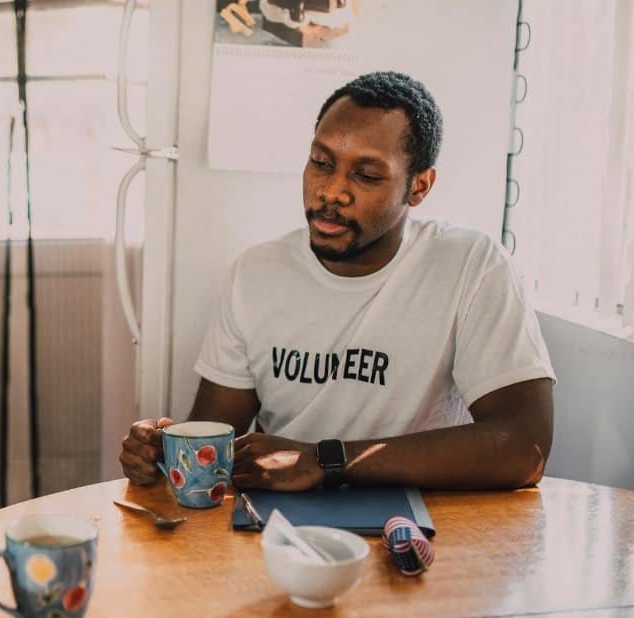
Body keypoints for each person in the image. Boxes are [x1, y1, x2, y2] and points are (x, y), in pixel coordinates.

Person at [121, 71, 554, 492]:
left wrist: (325, 461)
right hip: (278, 529)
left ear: (419, 186)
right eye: (322, 163)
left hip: (422, 524)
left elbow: (524, 448)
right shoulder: (255, 273)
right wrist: (163, 450)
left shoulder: (471, 265)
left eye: (366, 175)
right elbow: (219, 436)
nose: (331, 191)